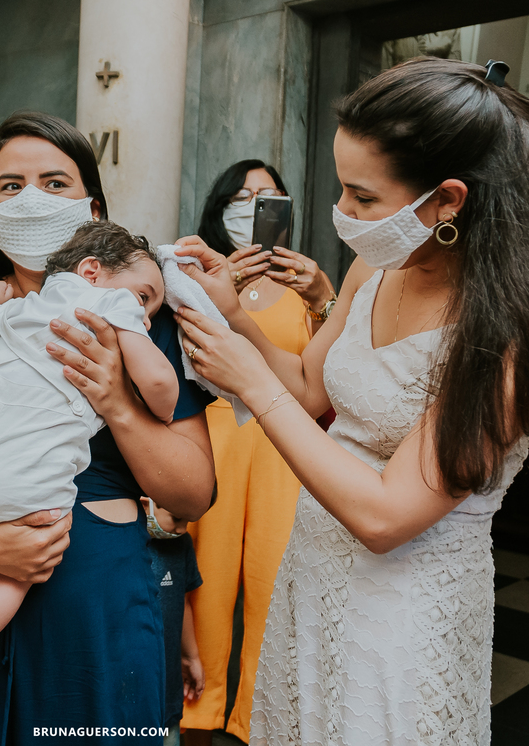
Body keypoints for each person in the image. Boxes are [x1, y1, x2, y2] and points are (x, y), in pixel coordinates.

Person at [174, 58, 529, 744]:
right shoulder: (376, 266)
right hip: (311, 579)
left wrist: (250, 383)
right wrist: (234, 318)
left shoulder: (512, 330)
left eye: (362, 197)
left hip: (403, 613)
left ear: (448, 201)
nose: (342, 213)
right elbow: (312, 388)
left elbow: (386, 516)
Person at [0, 110, 216, 744]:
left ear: (94, 208)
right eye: (10, 185)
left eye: (55, 183)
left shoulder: (147, 317)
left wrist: (115, 400)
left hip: (93, 605)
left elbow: (192, 493)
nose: (31, 199)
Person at [0, 221, 179, 709]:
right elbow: (162, 391)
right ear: (92, 272)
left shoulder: (22, 307)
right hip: (19, 477)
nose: (148, 315)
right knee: (30, 554)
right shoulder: (111, 309)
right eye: (146, 297)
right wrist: (140, 375)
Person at [183, 160, 336, 745]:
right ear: (221, 207)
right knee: (208, 582)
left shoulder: (304, 285)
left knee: (276, 580)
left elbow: (332, 374)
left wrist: (323, 294)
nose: (254, 204)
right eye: (242, 196)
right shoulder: (193, 273)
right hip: (216, 437)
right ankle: (199, 711)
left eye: (269, 196)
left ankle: (259, 719)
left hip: (286, 445)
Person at [141, 499, 204, 746]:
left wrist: (192, 657)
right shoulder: (124, 544)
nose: (183, 528)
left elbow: (183, 601)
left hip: (168, 688)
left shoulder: (182, 544)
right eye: (177, 519)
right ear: (146, 502)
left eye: (189, 521)